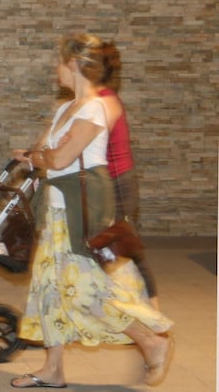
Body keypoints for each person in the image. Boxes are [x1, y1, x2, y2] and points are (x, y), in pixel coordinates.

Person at [6, 34, 173, 388]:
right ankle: (52, 369)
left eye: (59, 62)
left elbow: (60, 158)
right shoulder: (65, 108)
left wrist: (44, 155)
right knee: (49, 287)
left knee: (85, 289)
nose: (56, 69)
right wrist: (41, 154)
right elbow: (44, 151)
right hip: (56, 211)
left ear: (74, 65)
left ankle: (151, 341)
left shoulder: (94, 107)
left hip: (79, 213)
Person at [97, 40, 160, 310]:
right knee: (110, 248)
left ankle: (154, 311)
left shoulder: (103, 101)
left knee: (127, 247)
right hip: (111, 181)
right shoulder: (98, 98)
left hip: (118, 183)